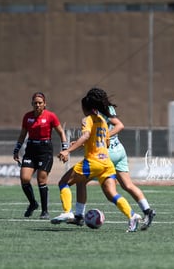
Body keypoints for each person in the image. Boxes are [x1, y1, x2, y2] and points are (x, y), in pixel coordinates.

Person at [52, 88, 155, 231]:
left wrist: (68, 150)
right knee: (113, 194)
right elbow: (105, 141)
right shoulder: (103, 119)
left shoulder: (87, 119)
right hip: (107, 162)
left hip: (94, 161)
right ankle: (133, 215)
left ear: (85, 107)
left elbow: (87, 136)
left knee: (64, 182)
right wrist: (84, 143)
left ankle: (69, 212)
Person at [13, 92, 68, 220]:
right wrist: (16, 149)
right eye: (35, 103)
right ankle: (33, 203)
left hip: (45, 150)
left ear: (44, 104)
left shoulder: (51, 116)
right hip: (31, 149)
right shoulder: (27, 117)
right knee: (24, 178)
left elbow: (61, 132)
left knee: (41, 180)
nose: (37, 105)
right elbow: (22, 135)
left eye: (40, 103)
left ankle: (44, 211)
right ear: (32, 104)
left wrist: (65, 148)